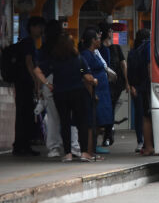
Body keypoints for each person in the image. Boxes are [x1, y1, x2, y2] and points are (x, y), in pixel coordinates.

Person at [33, 31, 96, 162]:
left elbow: (37, 70)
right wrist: (94, 81)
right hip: (77, 93)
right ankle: (84, 152)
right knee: (81, 122)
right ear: (72, 45)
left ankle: (67, 154)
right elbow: (85, 75)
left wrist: (47, 83)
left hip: (60, 94)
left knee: (65, 122)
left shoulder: (54, 61)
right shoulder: (78, 60)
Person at [12, 16, 45, 157]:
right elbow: (29, 62)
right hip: (25, 83)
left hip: (22, 83)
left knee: (23, 115)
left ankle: (21, 145)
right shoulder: (28, 43)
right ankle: (22, 145)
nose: (41, 30)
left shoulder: (27, 42)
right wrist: (35, 82)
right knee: (25, 115)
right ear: (32, 27)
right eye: (40, 27)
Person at [80, 27, 113, 156]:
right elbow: (84, 73)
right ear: (93, 40)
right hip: (94, 92)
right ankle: (90, 151)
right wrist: (92, 92)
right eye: (98, 38)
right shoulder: (86, 55)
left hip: (102, 92)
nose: (100, 40)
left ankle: (92, 149)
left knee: (98, 122)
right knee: (92, 122)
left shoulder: (95, 53)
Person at [97, 23, 128, 148]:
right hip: (102, 83)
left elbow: (123, 65)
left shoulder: (116, 48)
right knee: (103, 109)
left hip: (116, 84)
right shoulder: (97, 50)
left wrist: (127, 81)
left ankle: (107, 135)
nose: (111, 32)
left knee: (110, 108)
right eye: (109, 30)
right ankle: (104, 132)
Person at [129, 28, 154, 156]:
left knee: (144, 116)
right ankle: (149, 146)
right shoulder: (149, 46)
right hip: (149, 86)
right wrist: (153, 82)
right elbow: (150, 66)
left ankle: (146, 145)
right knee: (150, 117)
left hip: (141, 87)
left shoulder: (136, 50)